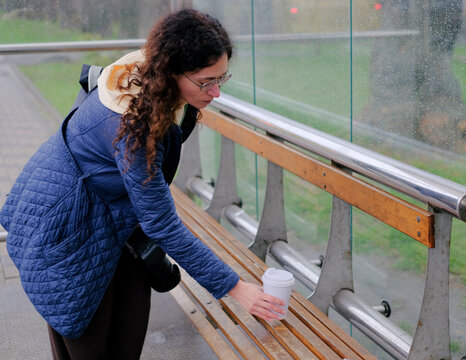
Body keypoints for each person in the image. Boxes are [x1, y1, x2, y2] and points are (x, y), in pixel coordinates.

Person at [0, 9, 285, 359]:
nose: (216, 93)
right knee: (91, 340)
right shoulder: (133, 124)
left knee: (126, 324)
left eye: (221, 79)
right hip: (67, 230)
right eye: (205, 82)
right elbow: (161, 222)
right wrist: (236, 288)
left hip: (102, 218)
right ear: (170, 72)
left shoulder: (144, 77)